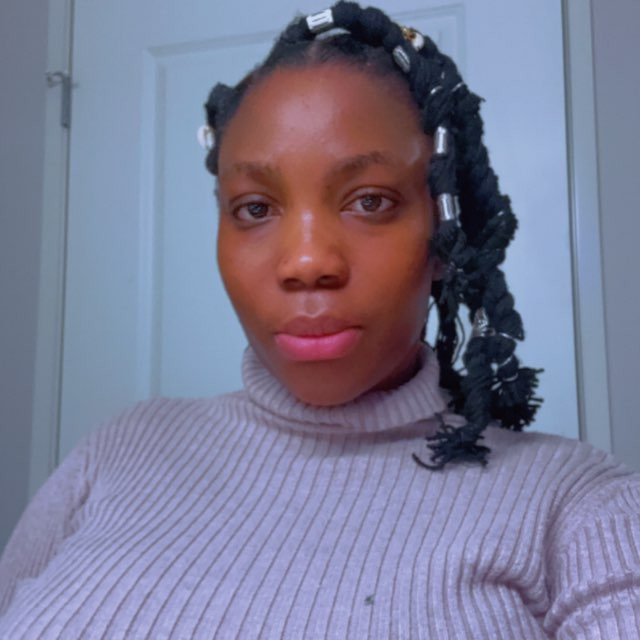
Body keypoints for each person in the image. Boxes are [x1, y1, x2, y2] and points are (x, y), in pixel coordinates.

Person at [1, 2, 639, 638]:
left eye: (370, 201)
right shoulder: (119, 450)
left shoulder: (577, 508)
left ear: (446, 235)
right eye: (255, 208)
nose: (307, 262)